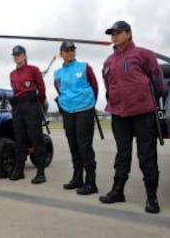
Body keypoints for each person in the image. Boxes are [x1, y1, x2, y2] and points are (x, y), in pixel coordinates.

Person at [100, 20, 164, 213]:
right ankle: (118, 191)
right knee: (122, 155)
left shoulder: (144, 55)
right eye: (112, 33)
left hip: (143, 112)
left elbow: (158, 82)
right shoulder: (108, 62)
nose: (114, 36)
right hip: (119, 114)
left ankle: (152, 198)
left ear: (129, 33)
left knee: (146, 155)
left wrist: (148, 100)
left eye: (118, 32)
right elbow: (107, 85)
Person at [54, 41, 98, 195]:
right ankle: (77, 178)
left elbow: (95, 86)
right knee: (73, 145)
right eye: (67, 50)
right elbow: (59, 89)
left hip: (84, 109)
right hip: (67, 111)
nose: (70, 52)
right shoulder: (57, 73)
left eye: (72, 49)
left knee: (84, 145)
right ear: (61, 53)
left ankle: (91, 182)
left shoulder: (84, 67)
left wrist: (89, 103)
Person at [9, 45, 48, 184]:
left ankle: (41, 172)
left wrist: (39, 105)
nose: (17, 57)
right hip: (18, 107)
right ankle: (20, 170)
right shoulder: (12, 74)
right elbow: (14, 90)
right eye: (14, 55)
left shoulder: (33, 70)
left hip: (31, 105)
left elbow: (42, 89)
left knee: (36, 138)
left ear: (25, 56)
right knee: (19, 138)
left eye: (19, 54)